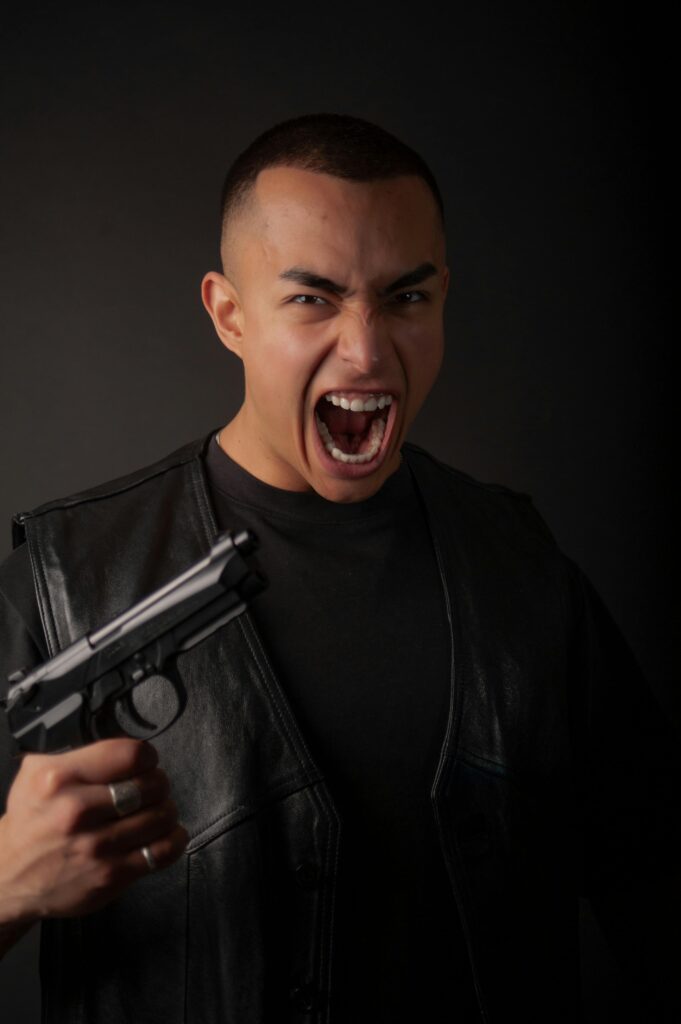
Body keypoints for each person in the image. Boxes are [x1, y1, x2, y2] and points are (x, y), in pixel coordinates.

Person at [0, 113, 678, 1023]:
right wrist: (6, 887)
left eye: (406, 298)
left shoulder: (523, 567)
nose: (366, 351)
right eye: (312, 298)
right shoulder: (63, 580)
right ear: (229, 315)